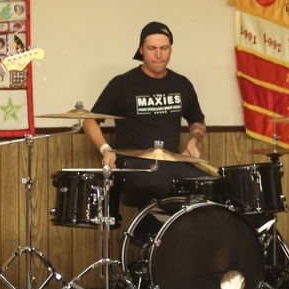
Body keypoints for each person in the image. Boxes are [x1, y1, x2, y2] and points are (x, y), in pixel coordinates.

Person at [82, 21, 207, 208]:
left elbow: (197, 122)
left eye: (164, 48)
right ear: (141, 50)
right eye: (152, 48)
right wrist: (106, 149)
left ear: (171, 49)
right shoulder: (122, 84)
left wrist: (194, 140)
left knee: (209, 185)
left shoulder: (182, 84)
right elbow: (89, 121)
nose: (159, 55)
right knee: (158, 184)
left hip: (171, 163)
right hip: (134, 166)